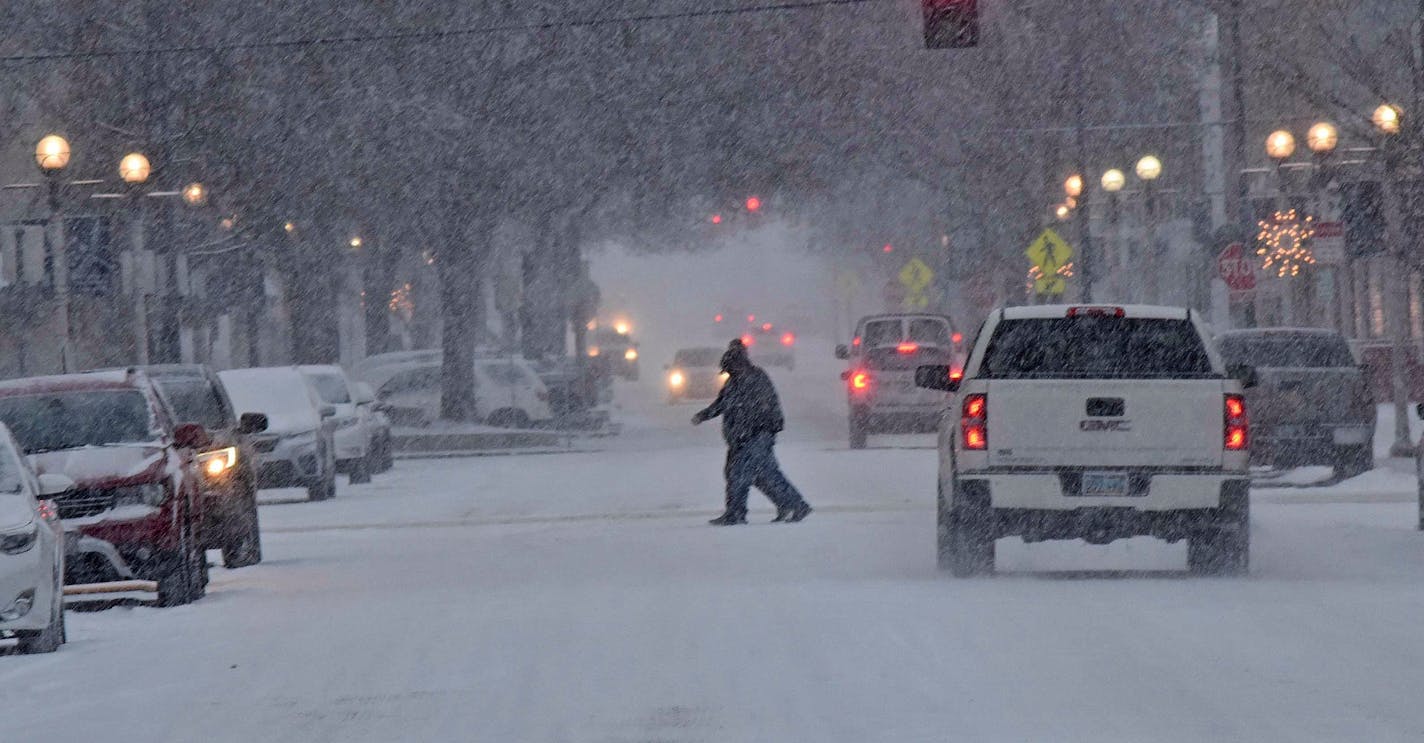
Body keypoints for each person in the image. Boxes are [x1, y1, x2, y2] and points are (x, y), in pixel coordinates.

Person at [692, 339, 812, 525]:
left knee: (740, 474)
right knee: (760, 475)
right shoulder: (733, 382)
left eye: (730, 369)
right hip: (742, 439)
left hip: (756, 436)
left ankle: (737, 513)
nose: (729, 373)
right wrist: (704, 415)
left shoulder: (755, 378)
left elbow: (763, 407)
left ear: (738, 364)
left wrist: (752, 431)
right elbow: (722, 404)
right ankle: (790, 505)